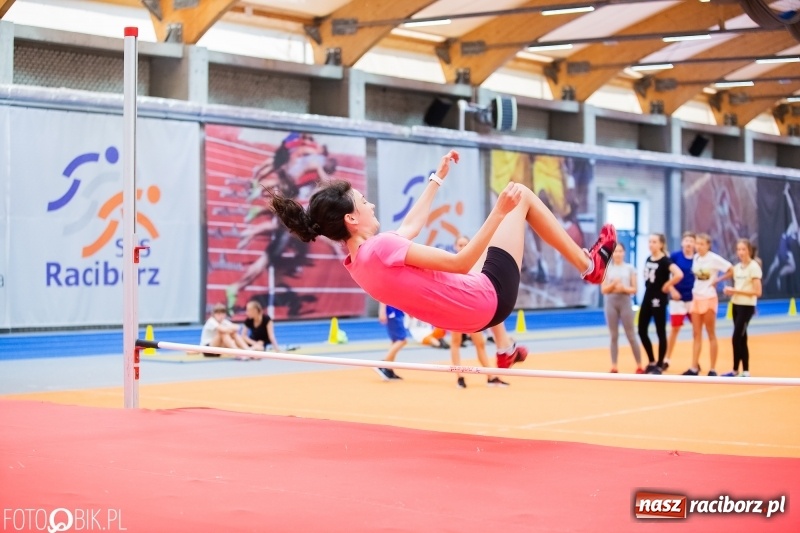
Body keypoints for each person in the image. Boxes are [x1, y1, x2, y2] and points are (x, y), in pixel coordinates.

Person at [269, 150, 617, 369]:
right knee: (520, 195)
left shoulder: (358, 264)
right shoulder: (383, 247)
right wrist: (497, 213)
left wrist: (436, 179)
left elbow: (410, 226)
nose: (370, 204)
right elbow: (460, 263)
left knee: (478, 254)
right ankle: (590, 265)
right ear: (351, 218)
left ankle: (505, 347)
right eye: (363, 201)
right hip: (488, 298)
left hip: (472, 318)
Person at [449, 234, 517, 388]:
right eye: (460, 245)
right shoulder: (452, 263)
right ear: (455, 247)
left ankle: (490, 376)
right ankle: (459, 376)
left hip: (471, 309)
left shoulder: (474, 264)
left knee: (480, 343)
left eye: (466, 245)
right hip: (455, 308)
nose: (463, 248)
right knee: (456, 342)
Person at [682, 233, 733, 377]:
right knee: (696, 333)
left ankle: (712, 368)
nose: (698, 246)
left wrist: (718, 280)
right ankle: (693, 367)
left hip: (709, 297)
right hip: (696, 297)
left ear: (708, 245)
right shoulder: (696, 258)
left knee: (710, 332)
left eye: (701, 244)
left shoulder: (714, 259)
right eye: (697, 244)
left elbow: (731, 270)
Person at [638, 234, 684, 374]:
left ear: (661, 244)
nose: (651, 244)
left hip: (659, 298)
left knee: (660, 331)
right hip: (647, 296)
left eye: (654, 242)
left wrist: (668, 285)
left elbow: (678, 274)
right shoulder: (648, 259)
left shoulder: (665, 261)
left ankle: (659, 364)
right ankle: (651, 360)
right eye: (650, 242)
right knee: (641, 330)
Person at [722, 239, 762, 377]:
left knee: (736, 337)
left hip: (747, 306)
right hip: (736, 304)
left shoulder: (754, 267)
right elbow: (737, 286)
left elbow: (758, 292)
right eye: (738, 249)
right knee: (742, 337)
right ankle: (744, 371)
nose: (741, 252)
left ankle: (735, 370)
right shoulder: (737, 267)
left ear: (749, 251)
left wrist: (736, 291)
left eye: (743, 249)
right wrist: (729, 291)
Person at [601, 241, 643, 374]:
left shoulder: (630, 268)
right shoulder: (607, 269)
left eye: (620, 251)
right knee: (614, 335)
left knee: (631, 334)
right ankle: (614, 365)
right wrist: (613, 285)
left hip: (625, 301)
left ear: (624, 253)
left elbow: (634, 289)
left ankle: (639, 365)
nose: (618, 254)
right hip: (611, 302)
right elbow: (604, 289)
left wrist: (623, 288)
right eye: (615, 251)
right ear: (612, 254)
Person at [665, 231, 697, 371]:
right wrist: (671, 289)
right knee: (675, 329)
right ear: (682, 243)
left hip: (693, 299)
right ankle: (666, 358)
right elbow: (665, 274)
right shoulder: (675, 257)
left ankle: (695, 363)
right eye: (686, 241)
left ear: (695, 244)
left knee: (697, 331)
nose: (688, 243)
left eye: (691, 241)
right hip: (677, 299)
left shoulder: (698, 259)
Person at [376, 303, 407, 381]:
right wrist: (382, 312)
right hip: (393, 312)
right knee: (402, 340)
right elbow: (383, 296)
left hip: (397, 310)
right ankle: (383, 364)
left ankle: (389, 369)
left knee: (395, 341)